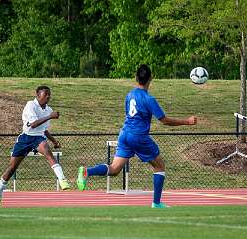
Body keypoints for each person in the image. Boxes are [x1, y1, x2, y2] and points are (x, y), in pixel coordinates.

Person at [76, 64, 197, 208]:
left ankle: (86, 171)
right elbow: (164, 120)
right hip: (138, 136)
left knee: (114, 170)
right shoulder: (149, 99)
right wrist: (187, 122)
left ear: (135, 78)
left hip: (124, 134)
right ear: (151, 78)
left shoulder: (130, 95)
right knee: (160, 166)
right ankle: (156, 203)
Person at [0, 85, 70, 208]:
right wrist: (50, 116)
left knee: (48, 153)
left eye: (49, 95)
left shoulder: (48, 110)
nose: (48, 97)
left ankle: (62, 180)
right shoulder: (31, 105)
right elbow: (33, 125)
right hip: (26, 138)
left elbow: (43, 130)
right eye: (46, 95)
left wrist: (54, 141)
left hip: (38, 138)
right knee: (12, 168)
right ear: (38, 96)